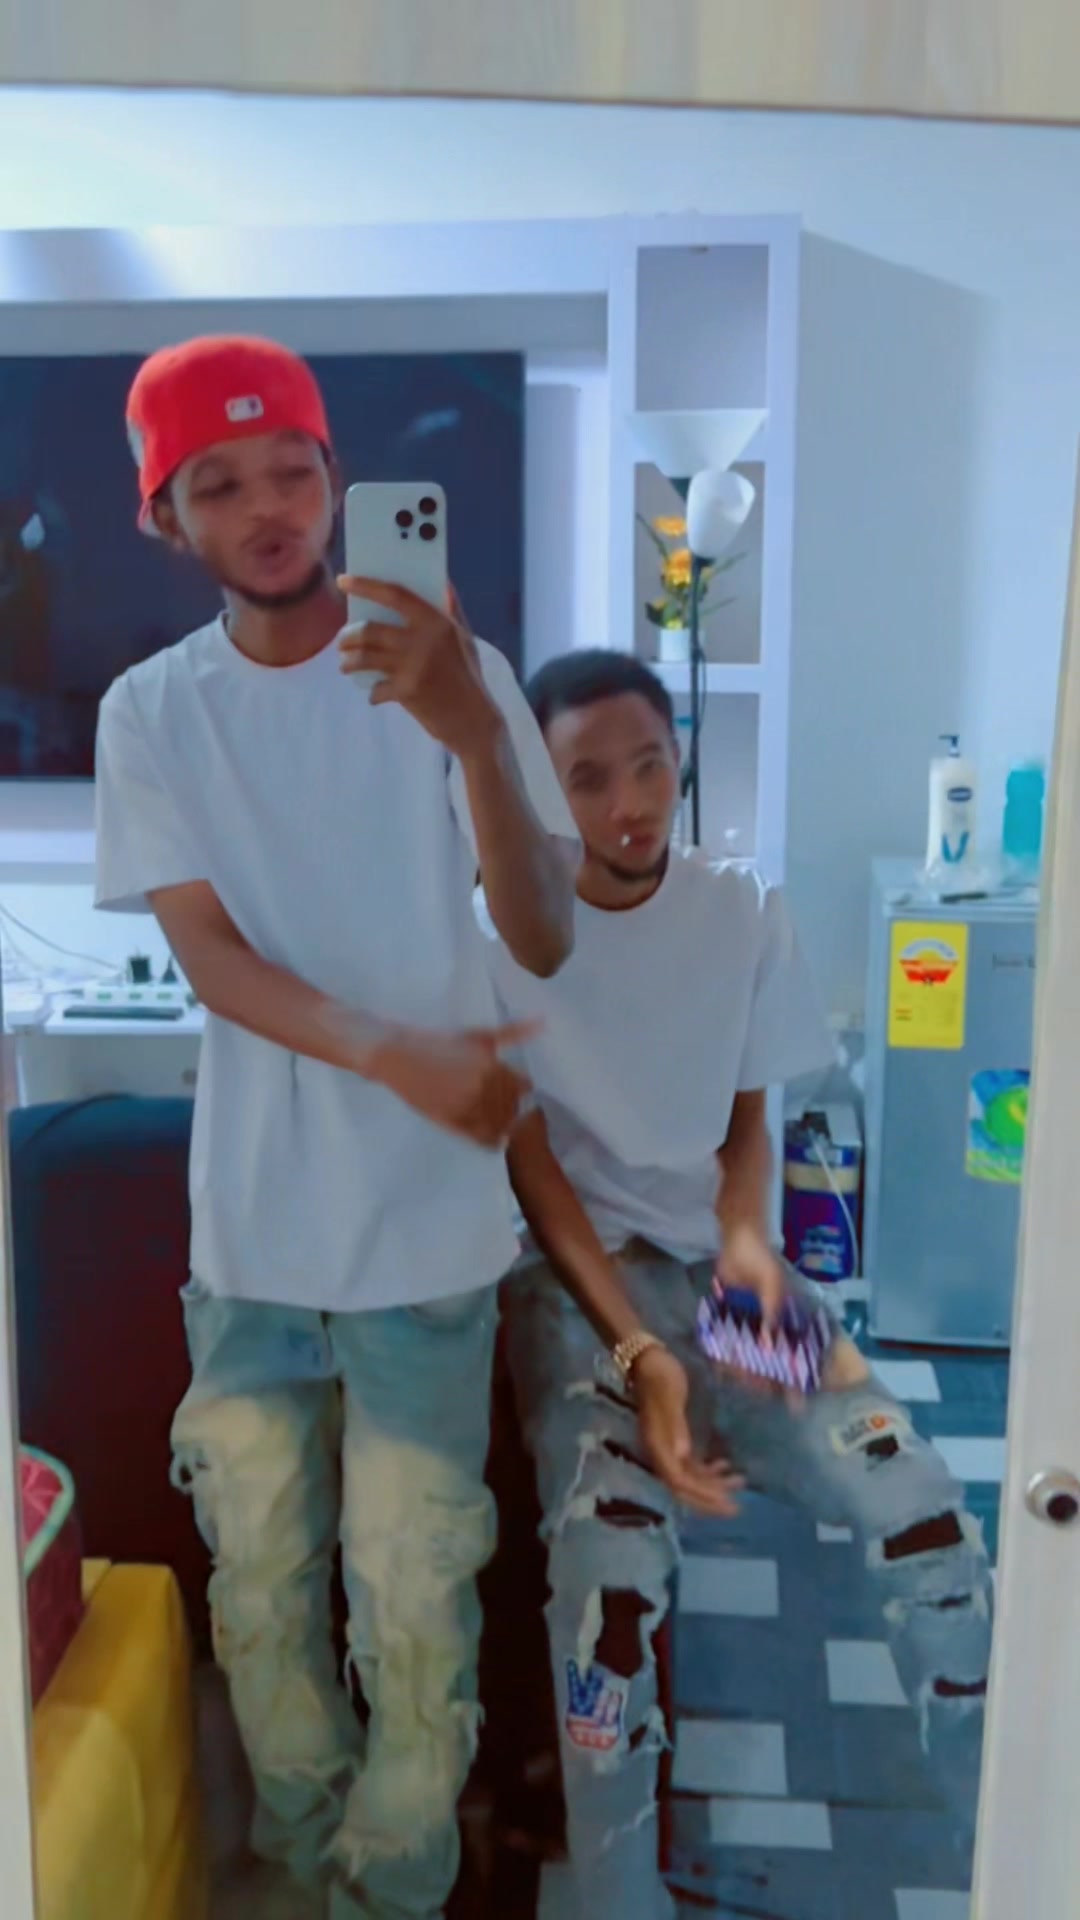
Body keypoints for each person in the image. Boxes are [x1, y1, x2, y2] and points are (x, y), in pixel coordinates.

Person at [93, 334, 582, 1920]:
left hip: (428, 1238)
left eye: (292, 470)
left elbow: (543, 934)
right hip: (250, 1237)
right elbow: (212, 958)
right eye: (219, 484)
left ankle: (395, 1890)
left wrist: (476, 733)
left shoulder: (457, 670)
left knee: (417, 1599)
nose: (269, 508)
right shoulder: (152, 712)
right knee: (259, 1591)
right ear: (166, 518)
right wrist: (395, 1054)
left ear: (337, 477)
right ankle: (301, 1871)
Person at [476, 650, 993, 1920]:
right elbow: (537, 1177)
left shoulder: (743, 910)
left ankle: (1005, 1859)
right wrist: (644, 1355)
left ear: (683, 760)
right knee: (609, 1589)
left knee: (929, 1522)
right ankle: (619, 1898)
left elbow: (749, 1121)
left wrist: (752, 1248)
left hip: (727, 1277)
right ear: (542, 792)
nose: (628, 804)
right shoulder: (501, 939)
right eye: (587, 778)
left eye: (650, 764)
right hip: (582, 1294)